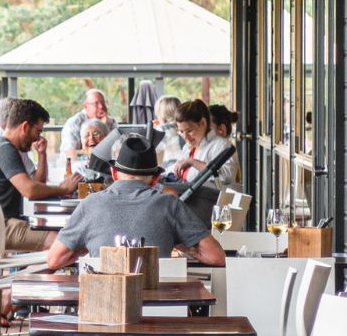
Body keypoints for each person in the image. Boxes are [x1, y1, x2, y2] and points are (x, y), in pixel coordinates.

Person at [44, 134, 227, 270]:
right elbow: (217, 257)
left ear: (114, 173)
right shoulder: (170, 204)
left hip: (103, 305)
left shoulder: (89, 204)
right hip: (159, 306)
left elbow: (54, 260)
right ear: (155, 179)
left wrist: (86, 249)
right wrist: (181, 244)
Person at [0, 98, 82, 250]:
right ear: (25, 126)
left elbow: (36, 185)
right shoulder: (5, 150)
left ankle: (43, 265)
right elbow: (29, 190)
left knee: (65, 238)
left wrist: (42, 154)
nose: (38, 138)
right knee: (66, 244)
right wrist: (64, 189)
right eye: (38, 131)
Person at [164, 100, 234, 220]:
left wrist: (192, 162)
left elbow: (226, 176)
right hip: (188, 208)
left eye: (189, 131)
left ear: (203, 123)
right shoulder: (188, 147)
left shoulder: (220, 145)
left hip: (209, 210)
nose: (185, 137)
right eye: (181, 131)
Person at [60, 88, 114, 158]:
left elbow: (116, 150)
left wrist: (103, 127)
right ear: (86, 106)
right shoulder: (74, 123)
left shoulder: (110, 122)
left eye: (103, 102)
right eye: (96, 104)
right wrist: (89, 151)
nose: (101, 106)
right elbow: (69, 153)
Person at [152, 94, 184, 164]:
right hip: (186, 164)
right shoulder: (183, 125)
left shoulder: (162, 129)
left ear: (161, 114)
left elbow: (152, 149)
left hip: (172, 166)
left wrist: (153, 130)